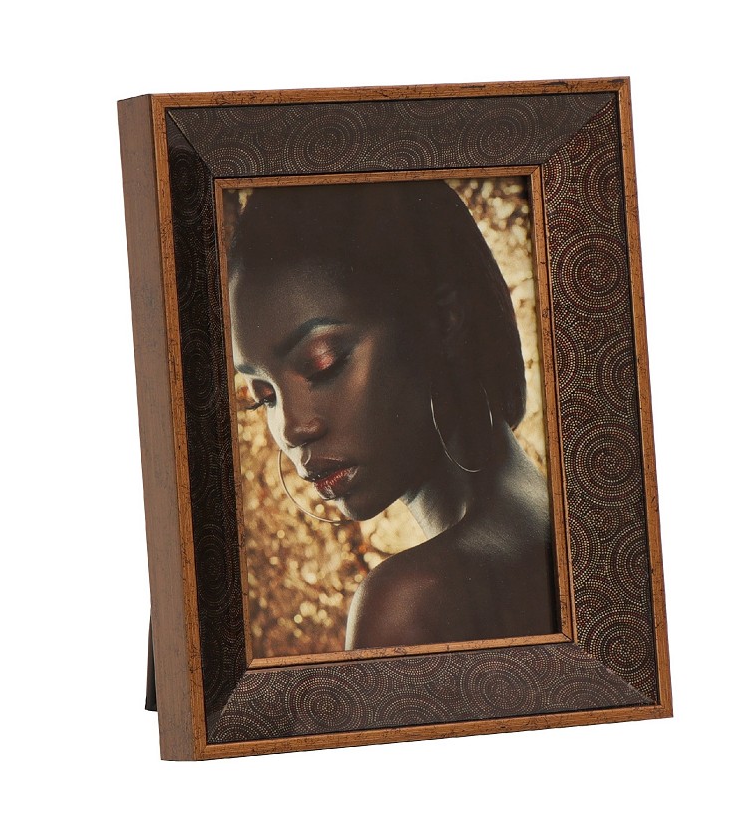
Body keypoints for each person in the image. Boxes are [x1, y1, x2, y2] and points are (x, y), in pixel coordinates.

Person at [227, 180, 558, 650]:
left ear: (443, 318)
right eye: (264, 396)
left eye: (323, 363)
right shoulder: (564, 533)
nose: (292, 428)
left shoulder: (411, 603)